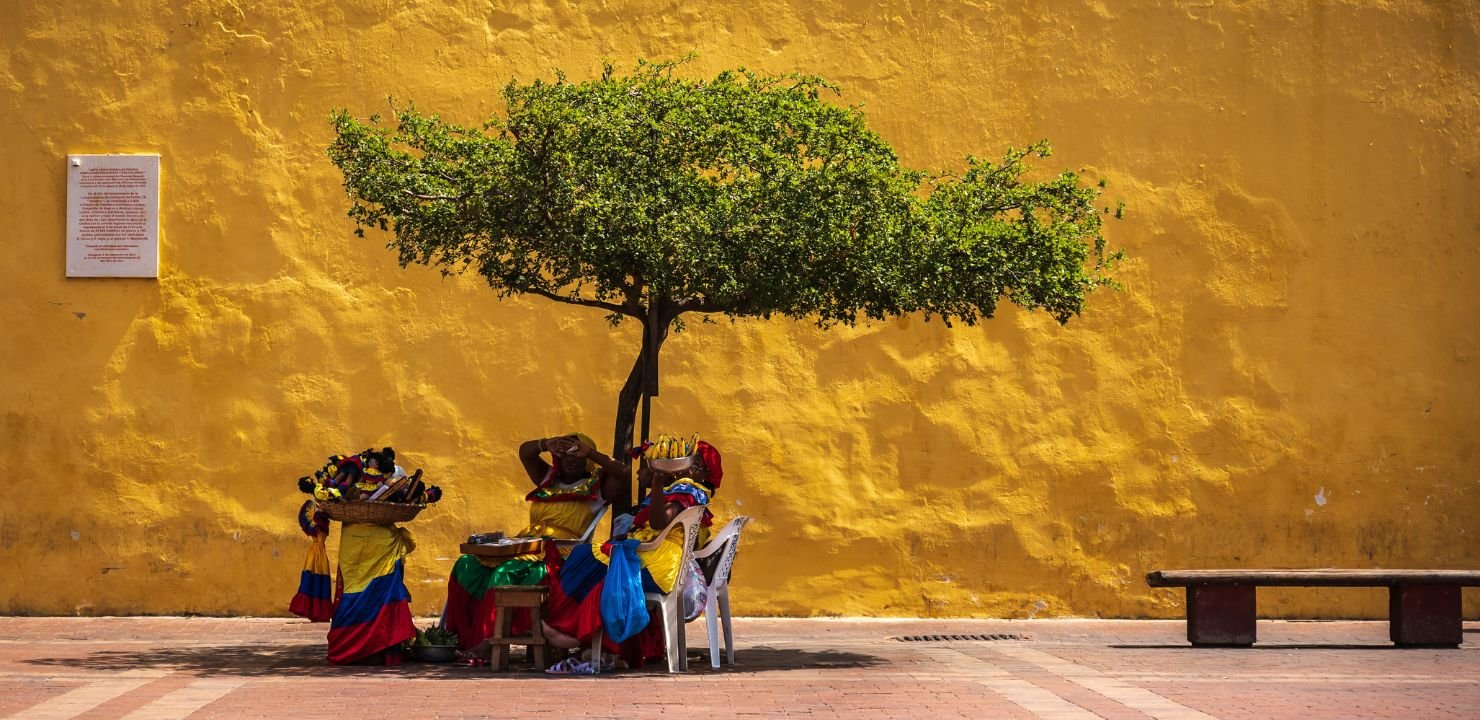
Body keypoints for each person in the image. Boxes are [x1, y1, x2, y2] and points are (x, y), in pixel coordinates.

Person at [443, 433, 629, 664]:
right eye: (563, 454)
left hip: (560, 556)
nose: (569, 459)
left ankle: (488, 641)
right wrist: (545, 444)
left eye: (576, 454)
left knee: (505, 573)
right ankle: (457, 637)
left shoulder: (597, 487)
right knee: (466, 565)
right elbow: (525, 452)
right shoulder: (547, 479)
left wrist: (590, 452)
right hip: (526, 547)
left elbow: (623, 472)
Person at [541, 439, 723, 672]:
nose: (641, 470)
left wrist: (657, 484)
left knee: (586, 561)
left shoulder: (687, 490)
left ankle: (577, 634)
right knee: (590, 564)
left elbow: (659, 523)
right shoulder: (683, 491)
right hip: (655, 561)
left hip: (658, 566)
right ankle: (592, 642)